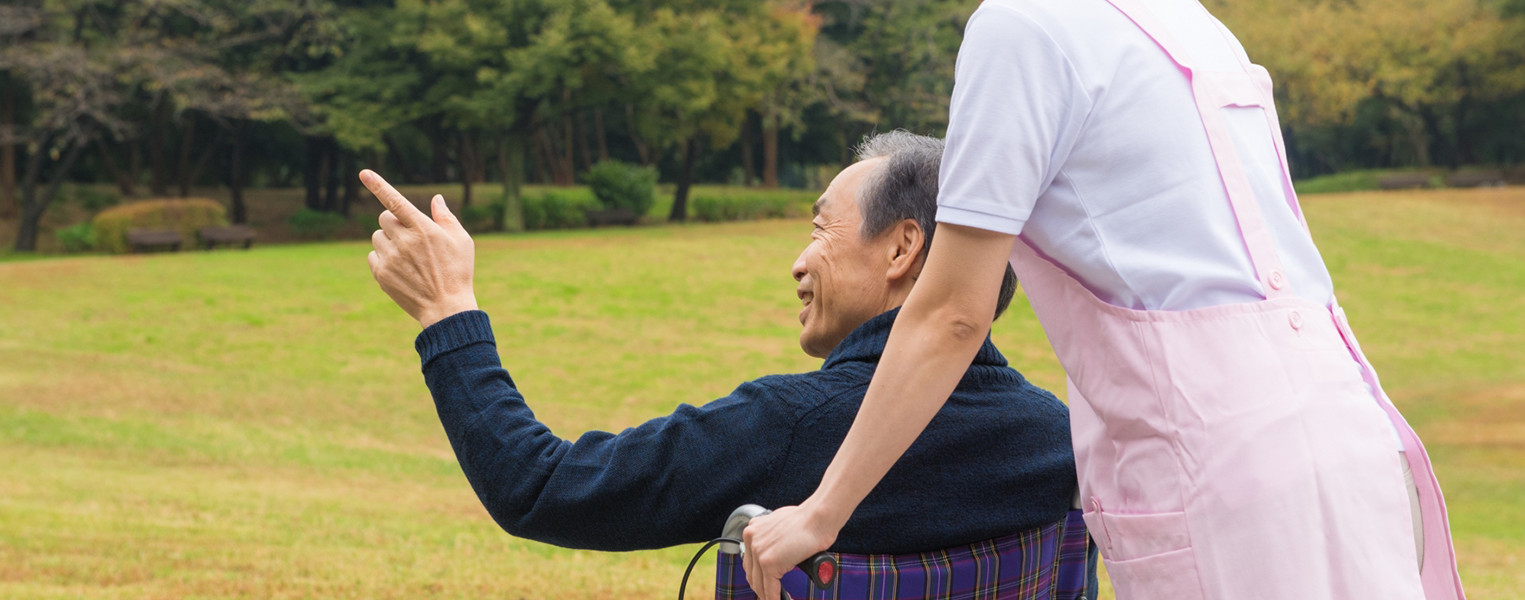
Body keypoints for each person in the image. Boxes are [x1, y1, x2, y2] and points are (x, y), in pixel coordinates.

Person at [739, 1, 1465, 600]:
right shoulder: (1192, 23)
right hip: (1346, 430)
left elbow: (952, 311)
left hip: (1217, 462)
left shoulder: (1017, 27)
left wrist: (822, 512)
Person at [360, 131, 1091, 599]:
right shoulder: (1059, 439)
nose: (799, 260)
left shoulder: (792, 429)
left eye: (819, 228)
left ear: (902, 250)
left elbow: (540, 487)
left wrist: (448, 310)